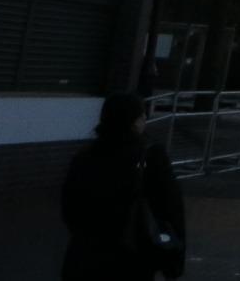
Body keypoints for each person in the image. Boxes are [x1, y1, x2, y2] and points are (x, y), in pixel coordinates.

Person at [60, 92, 185, 280]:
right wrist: (173, 260)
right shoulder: (150, 156)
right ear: (134, 121)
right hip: (132, 255)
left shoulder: (86, 156)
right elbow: (170, 207)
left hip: (85, 255)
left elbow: (69, 205)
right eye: (142, 116)